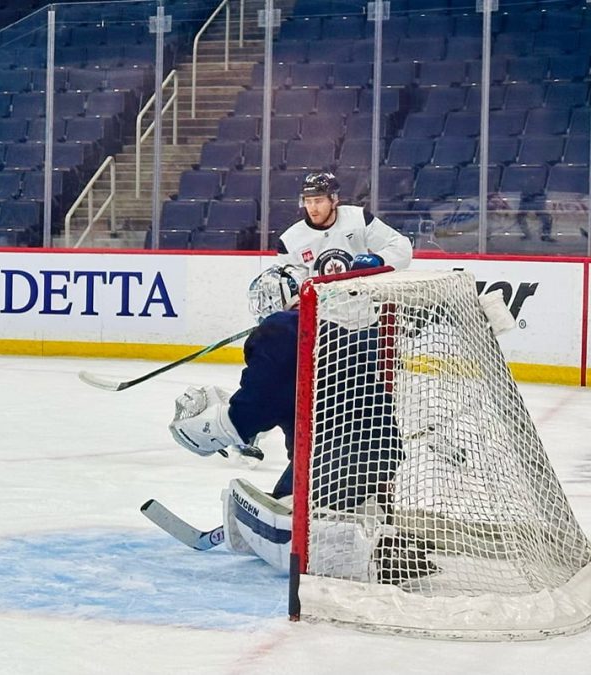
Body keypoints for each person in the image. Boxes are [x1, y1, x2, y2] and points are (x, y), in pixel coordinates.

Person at [166, 265, 432, 583]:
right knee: (297, 500)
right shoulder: (333, 327)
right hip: (381, 452)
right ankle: (381, 534)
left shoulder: (282, 329)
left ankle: (374, 554)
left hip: (335, 458)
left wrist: (210, 427)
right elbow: (287, 396)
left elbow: (252, 411)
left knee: (291, 521)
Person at [275, 172, 414, 277]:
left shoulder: (358, 218)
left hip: (360, 304)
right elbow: (293, 287)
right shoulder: (289, 241)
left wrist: (378, 260)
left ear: (334, 200)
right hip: (319, 306)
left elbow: (402, 248)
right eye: (308, 201)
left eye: (318, 201)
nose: (312, 208)